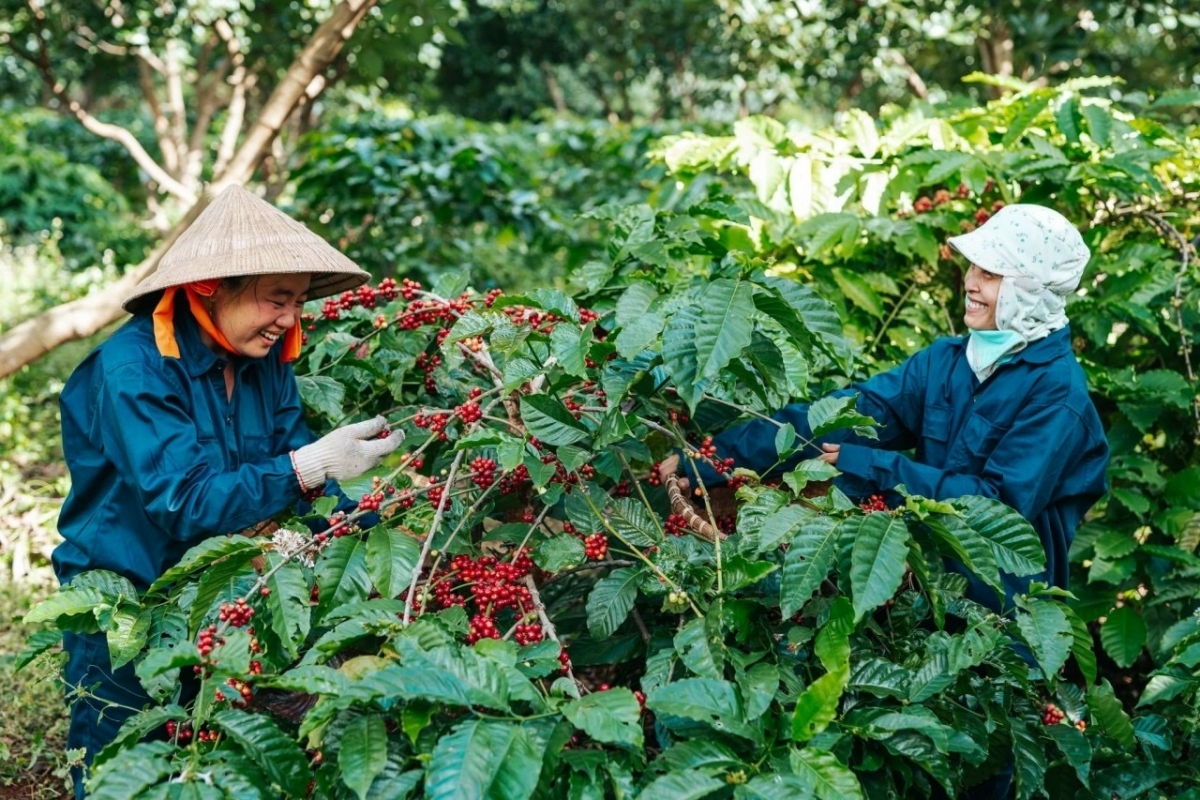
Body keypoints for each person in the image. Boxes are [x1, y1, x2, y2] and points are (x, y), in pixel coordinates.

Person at [666, 203, 1110, 798]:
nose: (971, 281)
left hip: (1000, 617)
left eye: (992, 273)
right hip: (920, 594)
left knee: (980, 760)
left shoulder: (1059, 398)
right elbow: (851, 417)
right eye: (973, 266)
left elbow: (995, 507)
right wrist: (710, 460)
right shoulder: (949, 361)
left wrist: (870, 465)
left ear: (1032, 287)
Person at [53, 185, 404, 797]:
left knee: (214, 760)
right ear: (211, 287)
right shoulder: (134, 369)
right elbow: (185, 502)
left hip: (220, 594)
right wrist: (309, 466)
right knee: (121, 767)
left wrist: (373, 535)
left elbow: (299, 473)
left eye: (296, 301)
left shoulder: (264, 362)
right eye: (276, 299)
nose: (290, 318)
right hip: (127, 602)